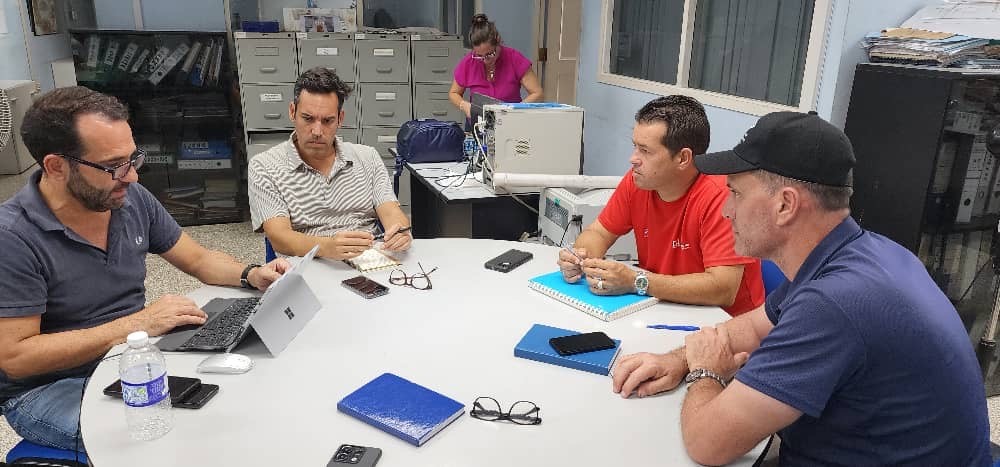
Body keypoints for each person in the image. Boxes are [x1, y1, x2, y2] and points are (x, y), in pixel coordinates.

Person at [611, 111, 991, 465]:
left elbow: (707, 444)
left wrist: (705, 372)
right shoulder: (859, 253)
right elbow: (755, 327)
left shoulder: (833, 303)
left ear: (785, 205)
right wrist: (678, 359)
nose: (726, 210)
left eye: (736, 193)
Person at [0, 86, 291, 452]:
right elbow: (17, 358)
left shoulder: (127, 198)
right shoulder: (13, 237)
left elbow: (198, 259)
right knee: (174, 441)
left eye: (133, 159)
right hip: (51, 387)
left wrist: (251, 273)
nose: (132, 177)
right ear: (56, 167)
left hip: (133, 358)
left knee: (240, 402)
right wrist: (135, 325)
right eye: (113, 166)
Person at [558, 96, 764, 317]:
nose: (633, 159)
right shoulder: (638, 181)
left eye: (645, 151)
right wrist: (581, 258)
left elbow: (723, 288)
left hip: (726, 322)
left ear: (683, 158)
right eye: (635, 146)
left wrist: (636, 281)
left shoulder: (723, 196)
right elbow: (598, 232)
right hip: (662, 306)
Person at [249, 67, 411, 260]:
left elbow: (391, 211)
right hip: (307, 262)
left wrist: (400, 232)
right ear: (292, 112)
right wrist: (326, 247)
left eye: (327, 121)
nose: (317, 131)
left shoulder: (368, 157)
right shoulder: (264, 166)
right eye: (308, 118)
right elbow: (279, 237)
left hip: (369, 260)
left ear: (340, 119)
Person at [449, 13, 543, 120]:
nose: (485, 60)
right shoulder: (469, 61)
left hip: (510, 120)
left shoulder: (514, 59)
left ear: (498, 42)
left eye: (490, 54)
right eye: (479, 56)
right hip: (479, 122)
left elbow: (537, 93)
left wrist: (516, 110)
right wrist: (464, 105)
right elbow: (453, 93)